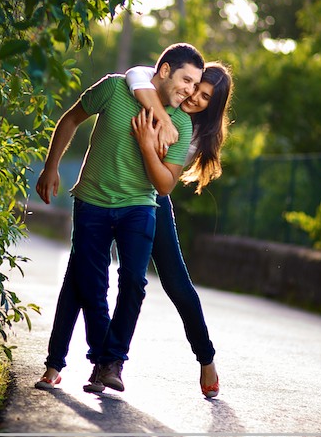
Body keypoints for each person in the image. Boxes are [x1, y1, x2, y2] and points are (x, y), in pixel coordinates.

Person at [33, 43, 204, 394]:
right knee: (92, 285)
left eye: (195, 85)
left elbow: (166, 183)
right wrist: (51, 167)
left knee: (134, 283)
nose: (189, 91)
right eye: (186, 80)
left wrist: (151, 145)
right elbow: (71, 118)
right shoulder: (114, 88)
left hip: (139, 206)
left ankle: (112, 362)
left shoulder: (181, 124)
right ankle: (103, 361)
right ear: (166, 69)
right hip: (92, 201)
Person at [125, 62, 234, 398]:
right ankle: (108, 363)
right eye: (195, 88)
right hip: (119, 187)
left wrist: (159, 135)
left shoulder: (198, 133)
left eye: (205, 97)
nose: (193, 97)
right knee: (124, 278)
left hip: (153, 197)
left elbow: (162, 179)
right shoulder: (173, 84)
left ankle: (206, 358)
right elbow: (133, 75)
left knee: (176, 284)